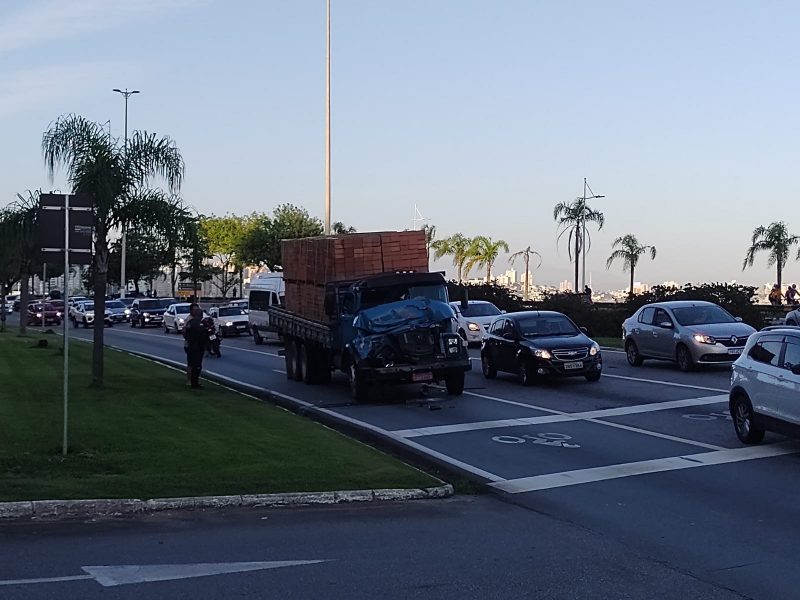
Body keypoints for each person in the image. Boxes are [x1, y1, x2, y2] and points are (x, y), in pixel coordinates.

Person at [183, 303, 207, 389]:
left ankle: (194, 381)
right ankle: (192, 381)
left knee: (194, 364)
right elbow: (186, 332)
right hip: (193, 345)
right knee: (194, 364)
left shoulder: (193, 322)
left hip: (192, 345)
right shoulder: (192, 321)